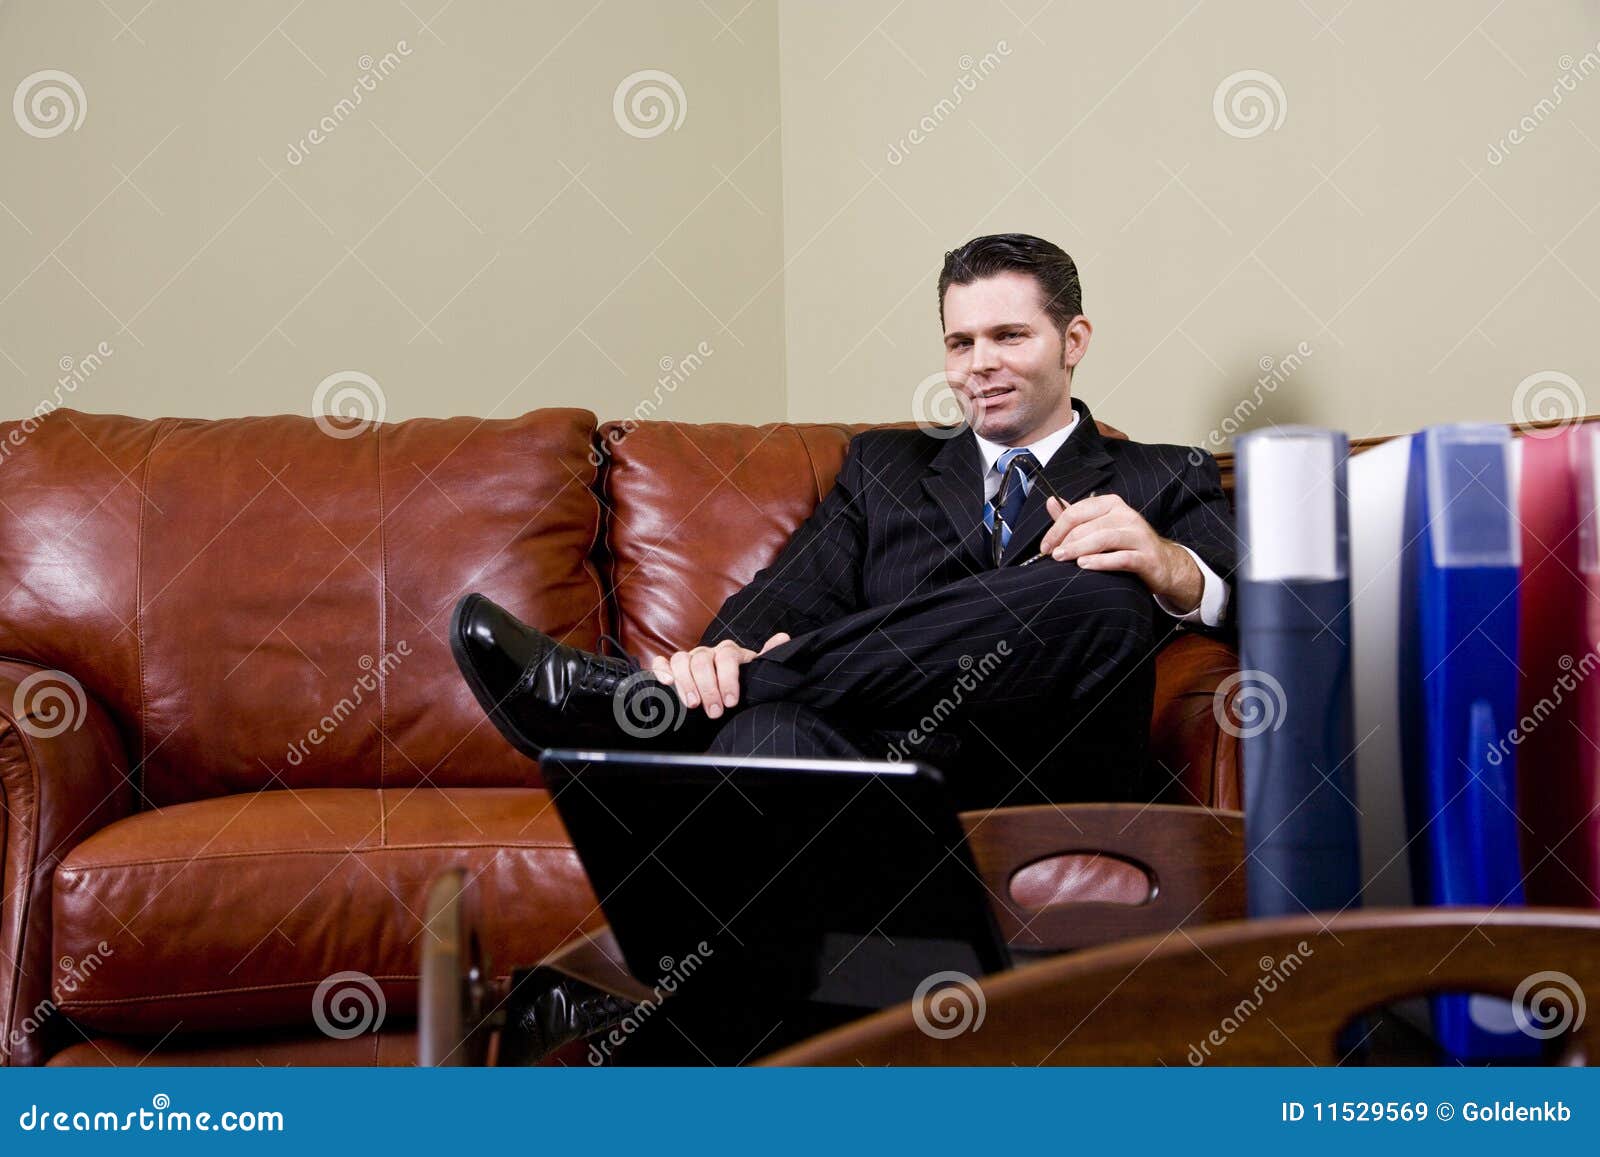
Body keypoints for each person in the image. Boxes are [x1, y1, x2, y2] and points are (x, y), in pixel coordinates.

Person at [451, 233, 1236, 809]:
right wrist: (721, 658)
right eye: (960, 343)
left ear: (1074, 341)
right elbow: (777, 603)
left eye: (1008, 336)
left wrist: (1172, 568)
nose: (979, 365)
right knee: (761, 737)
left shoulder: (1163, 474)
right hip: (886, 772)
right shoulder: (883, 469)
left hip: (1052, 775)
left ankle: (642, 708)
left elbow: (1288, 609)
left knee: (1100, 593)